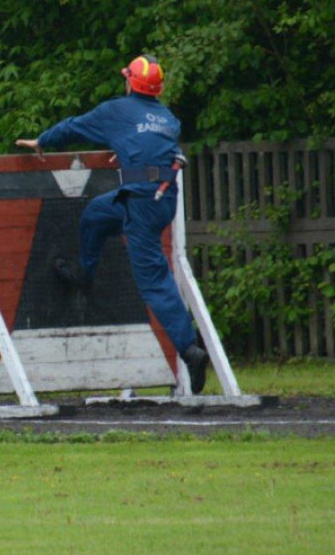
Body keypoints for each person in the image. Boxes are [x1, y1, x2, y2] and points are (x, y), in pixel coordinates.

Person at [14, 55, 211, 394]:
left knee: (154, 283)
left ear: (129, 82)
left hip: (142, 202)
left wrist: (42, 140)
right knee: (96, 214)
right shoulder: (168, 118)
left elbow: (75, 126)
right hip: (161, 199)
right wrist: (126, 151)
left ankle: (189, 349)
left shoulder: (117, 111)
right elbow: (153, 145)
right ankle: (84, 275)